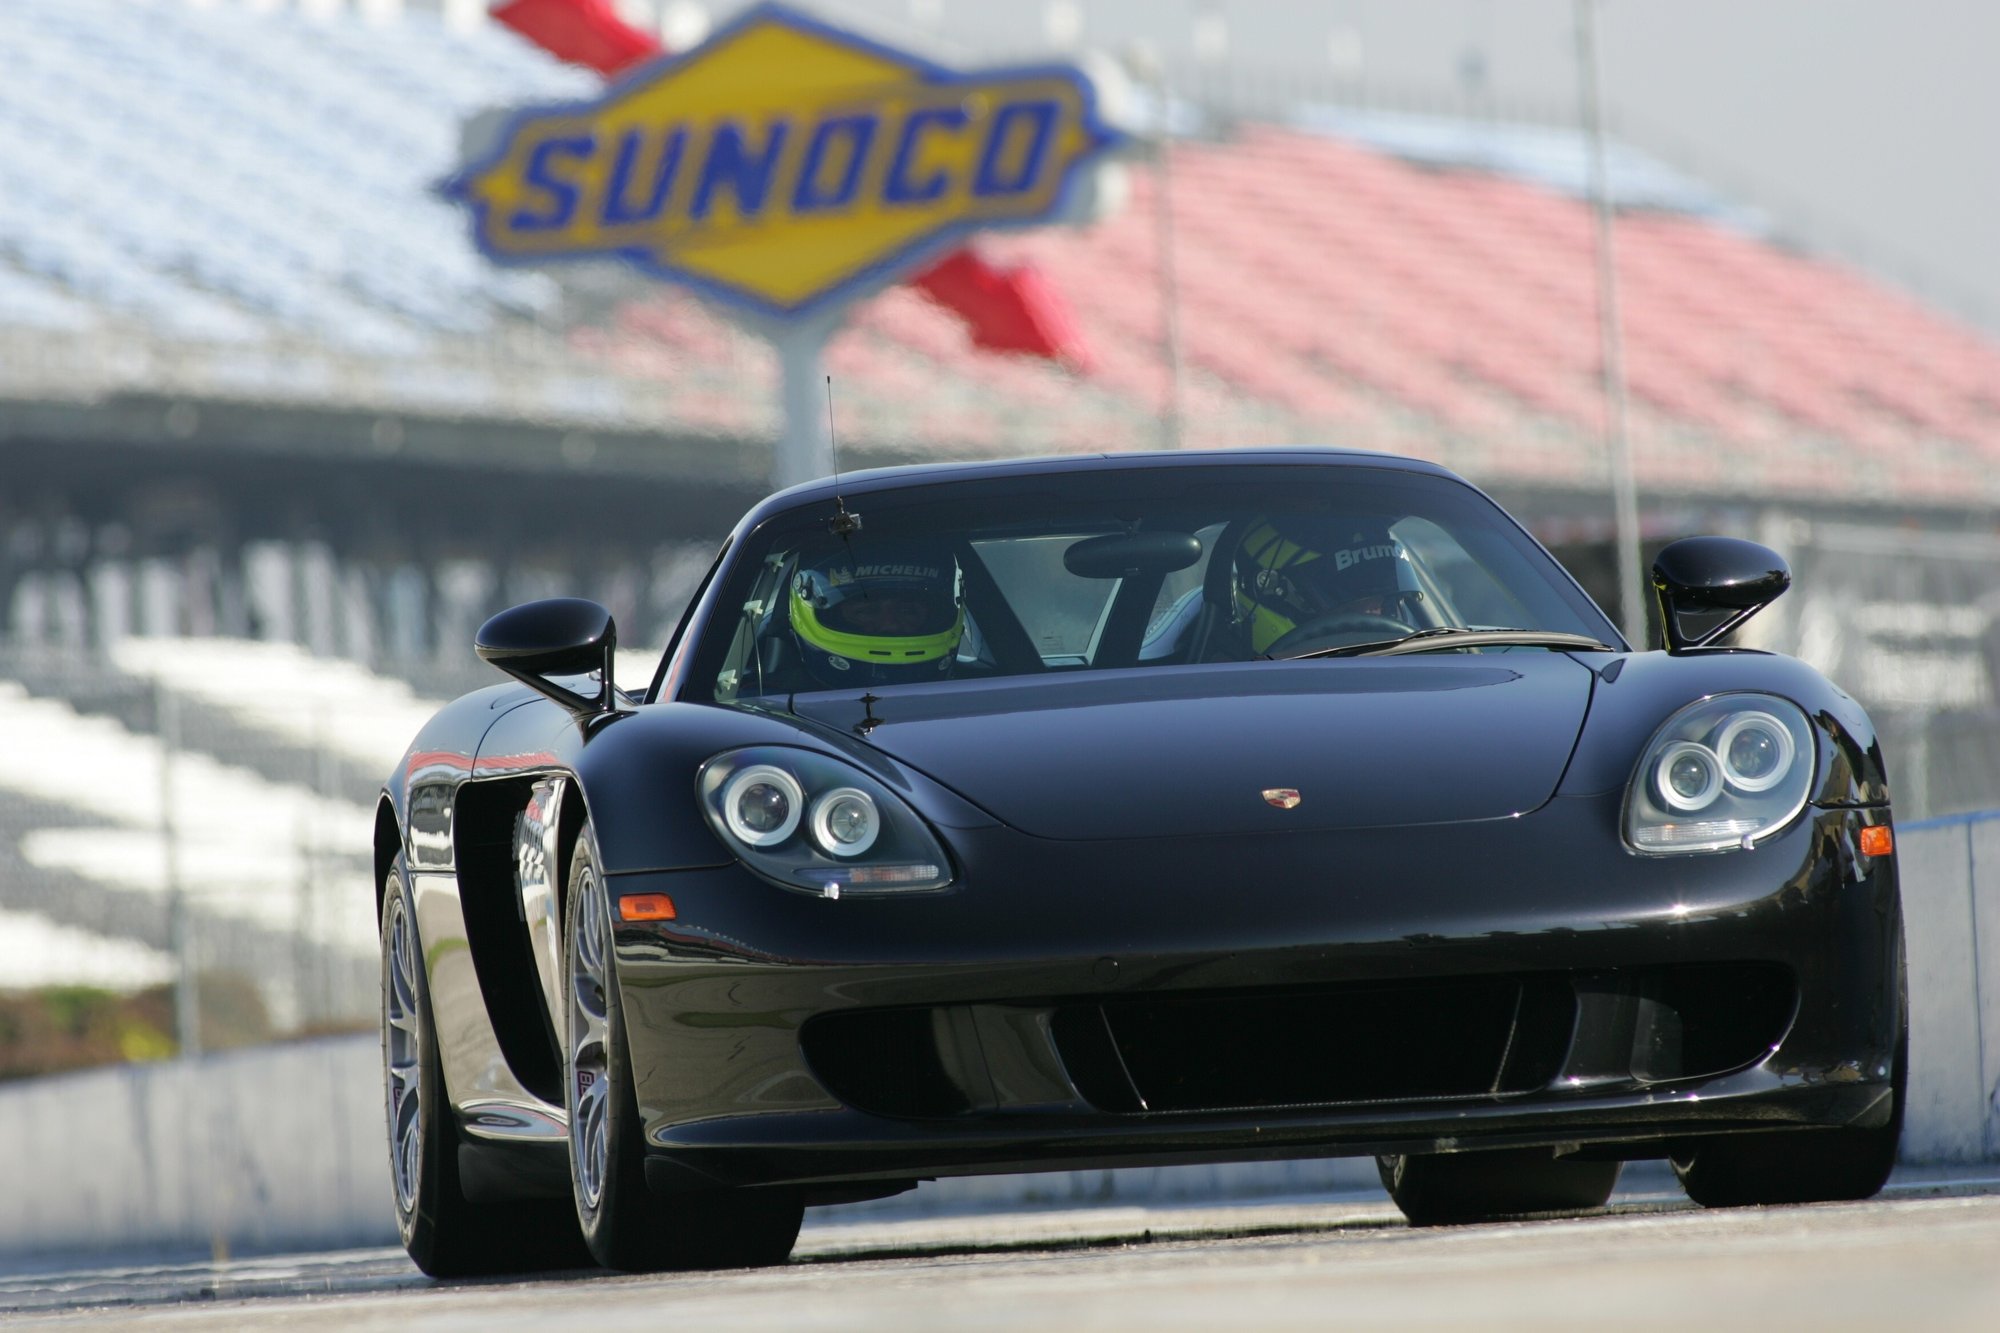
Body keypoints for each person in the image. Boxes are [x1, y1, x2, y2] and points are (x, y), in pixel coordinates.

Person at [788, 538, 965, 687]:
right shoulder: (766, 704)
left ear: (934, 617)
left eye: (907, 611)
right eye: (867, 611)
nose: (890, 624)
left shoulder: (982, 685)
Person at [1229, 515, 1417, 654]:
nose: (1377, 614)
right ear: (1268, 588)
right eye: (1348, 608)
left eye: (1384, 601)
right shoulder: (1218, 687)